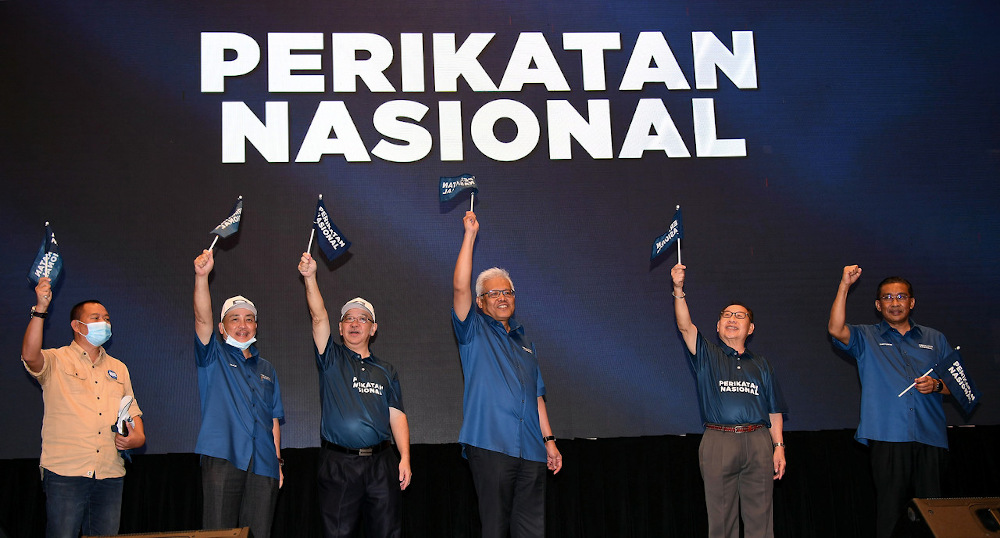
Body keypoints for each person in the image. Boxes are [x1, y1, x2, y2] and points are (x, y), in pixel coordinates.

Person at [452, 210, 562, 538]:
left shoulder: (526, 339)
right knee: (495, 528)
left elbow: (536, 395)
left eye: (508, 292)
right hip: (490, 444)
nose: (502, 297)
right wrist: (469, 236)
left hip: (531, 448)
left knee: (531, 531)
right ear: (481, 302)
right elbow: (459, 289)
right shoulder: (472, 329)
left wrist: (550, 441)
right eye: (494, 293)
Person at [828, 265, 953, 538]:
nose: (894, 303)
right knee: (890, 514)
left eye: (900, 296)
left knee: (934, 515)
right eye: (887, 297)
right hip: (887, 435)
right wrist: (844, 285)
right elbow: (836, 329)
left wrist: (937, 385)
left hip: (930, 437)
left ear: (911, 302)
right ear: (877, 304)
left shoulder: (935, 339)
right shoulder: (866, 336)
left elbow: (957, 388)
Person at [21, 276, 146, 538]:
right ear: (77, 325)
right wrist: (40, 309)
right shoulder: (56, 359)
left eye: (107, 318)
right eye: (96, 317)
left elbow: (133, 418)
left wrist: (135, 438)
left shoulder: (119, 368)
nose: (105, 322)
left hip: (109, 473)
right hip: (66, 471)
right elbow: (30, 356)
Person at [297, 252, 411, 538]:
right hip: (338, 464)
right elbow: (317, 315)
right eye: (348, 318)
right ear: (340, 327)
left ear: (373, 329)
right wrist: (310, 278)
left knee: (387, 533)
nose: (355, 323)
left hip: (381, 464)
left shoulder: (386, 370)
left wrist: (405, 457)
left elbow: (396, 416)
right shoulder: (331, 357)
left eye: (363, 319)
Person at [669, 263, 786, 538]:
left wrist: (778, 446)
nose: (732, 319)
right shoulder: (707, 354)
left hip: (758, 441)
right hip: (718, 440)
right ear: (718, 325)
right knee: (722, 524)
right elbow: (685, 327)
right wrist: (678, 289)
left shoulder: (762, 364)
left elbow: (774, 410)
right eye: (727, 315)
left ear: (751, 327)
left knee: (761, 522)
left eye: (740, 316)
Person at [193, 249, 284, 538]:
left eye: (248, 319)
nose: (242, 325)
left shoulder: (268, 368)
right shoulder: (213, 356)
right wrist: (201, 277)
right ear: (222, 327)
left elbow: (273, 421)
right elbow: (202, 319)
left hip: (264, 464)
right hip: (223, 457)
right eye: (234, 319)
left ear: (256, 325)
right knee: (219, 534)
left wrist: (278, 464)